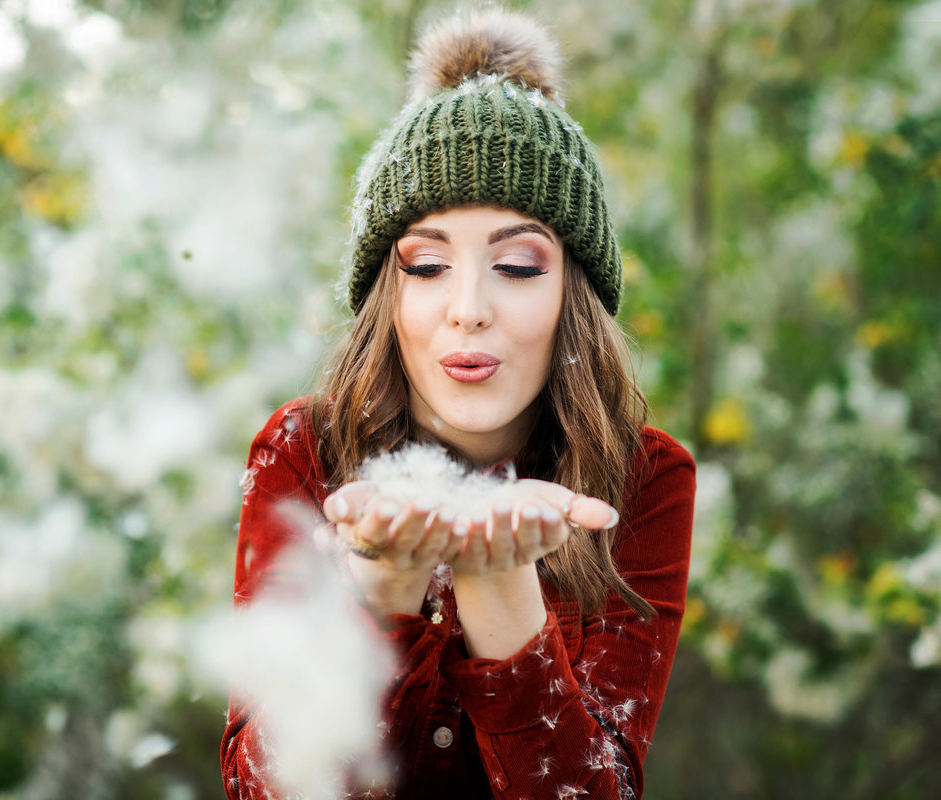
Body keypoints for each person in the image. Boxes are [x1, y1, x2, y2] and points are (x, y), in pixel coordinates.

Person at [222, 7, 695, 799]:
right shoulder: (303, 450)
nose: (467, 307)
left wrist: (504, 586)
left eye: (514, 266)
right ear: (387, 294)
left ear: (574, 293)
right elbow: (261, 787)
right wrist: (381, 592)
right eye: (428, 265)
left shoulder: (643, 477)